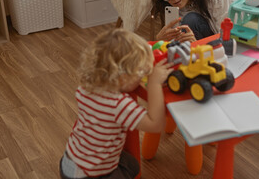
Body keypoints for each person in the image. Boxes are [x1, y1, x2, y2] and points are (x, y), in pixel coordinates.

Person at [59, 28, 174, 179]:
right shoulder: (118, 105)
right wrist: (154, 84)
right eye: (140, 73)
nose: (142, 77)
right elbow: (156, 125)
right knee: (130, 169)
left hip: (70, 160)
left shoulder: (85, 87)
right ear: (123, 77)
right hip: (90, 174)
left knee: (132, 165)